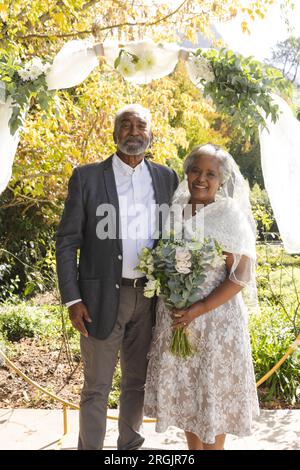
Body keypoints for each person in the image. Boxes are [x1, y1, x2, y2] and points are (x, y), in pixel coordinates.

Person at [55, 104, 179, 450]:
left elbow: (176, 235)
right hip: (99, 300)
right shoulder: (87, 177)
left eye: (141, 126)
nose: (134, 131)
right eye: (126, 125)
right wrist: (73, 298)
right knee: (96, 386)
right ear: (115, 133)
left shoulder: (166, 178)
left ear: (150, 135)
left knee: (136, 383)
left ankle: (130, 447)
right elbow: (66, 242)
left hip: (150, 298)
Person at [144, 143, 259, 450]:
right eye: (196, 170)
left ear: (221, 179)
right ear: (187, 172)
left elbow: (240, 276)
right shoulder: (173, 210)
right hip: (178, 320)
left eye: (211, 173)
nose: (201, 178)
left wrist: (200, 307)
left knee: (211, 401)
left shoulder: (229, 214)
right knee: (188, 401)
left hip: (216, 323)